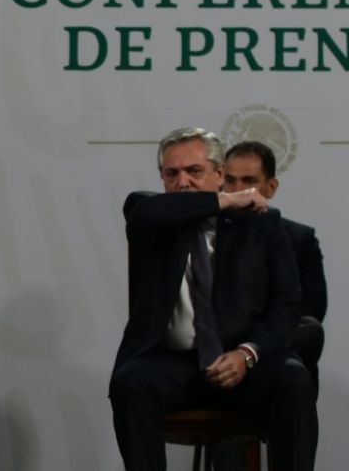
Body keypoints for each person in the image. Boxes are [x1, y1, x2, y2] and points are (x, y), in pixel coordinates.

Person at [109, 127, 317, 471]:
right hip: (174, 365)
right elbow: (146, 212)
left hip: (244, 362)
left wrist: (247, 353)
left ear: (218, 174)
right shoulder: (150, 217)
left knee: (294, 379)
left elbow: (287, 306)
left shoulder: (261, 224)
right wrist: (227, 199)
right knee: (130, 383)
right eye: (172, 173)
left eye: (194, 171)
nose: (183, 182)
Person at [210, 141, 328, 471]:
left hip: (276, 352)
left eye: (248, 181)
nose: (237, 190)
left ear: (270, 187)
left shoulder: (297, 237)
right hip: (223, 358)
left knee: (304, 342)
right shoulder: (208, 234)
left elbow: (312, 310)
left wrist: (255, 347)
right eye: (229, 181)